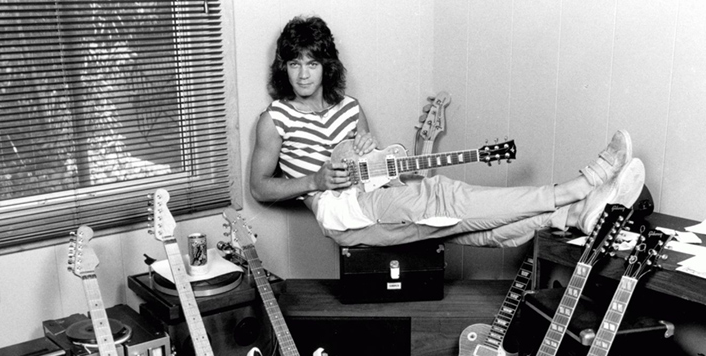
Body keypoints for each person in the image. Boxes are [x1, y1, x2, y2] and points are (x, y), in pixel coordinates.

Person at [249, 16, 645, 248]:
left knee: (468, 230)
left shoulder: (351, 109)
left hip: (377, 198)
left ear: (326, 66)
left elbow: (378, 170)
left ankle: (570, 215)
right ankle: (576, 188)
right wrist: (316, 178)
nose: (302, 73)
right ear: (283, 67)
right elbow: (260, 189)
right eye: (294, 63)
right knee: (444, 196)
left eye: (311, 63)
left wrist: (372, 152)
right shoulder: (276, 118)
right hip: (341, 212)